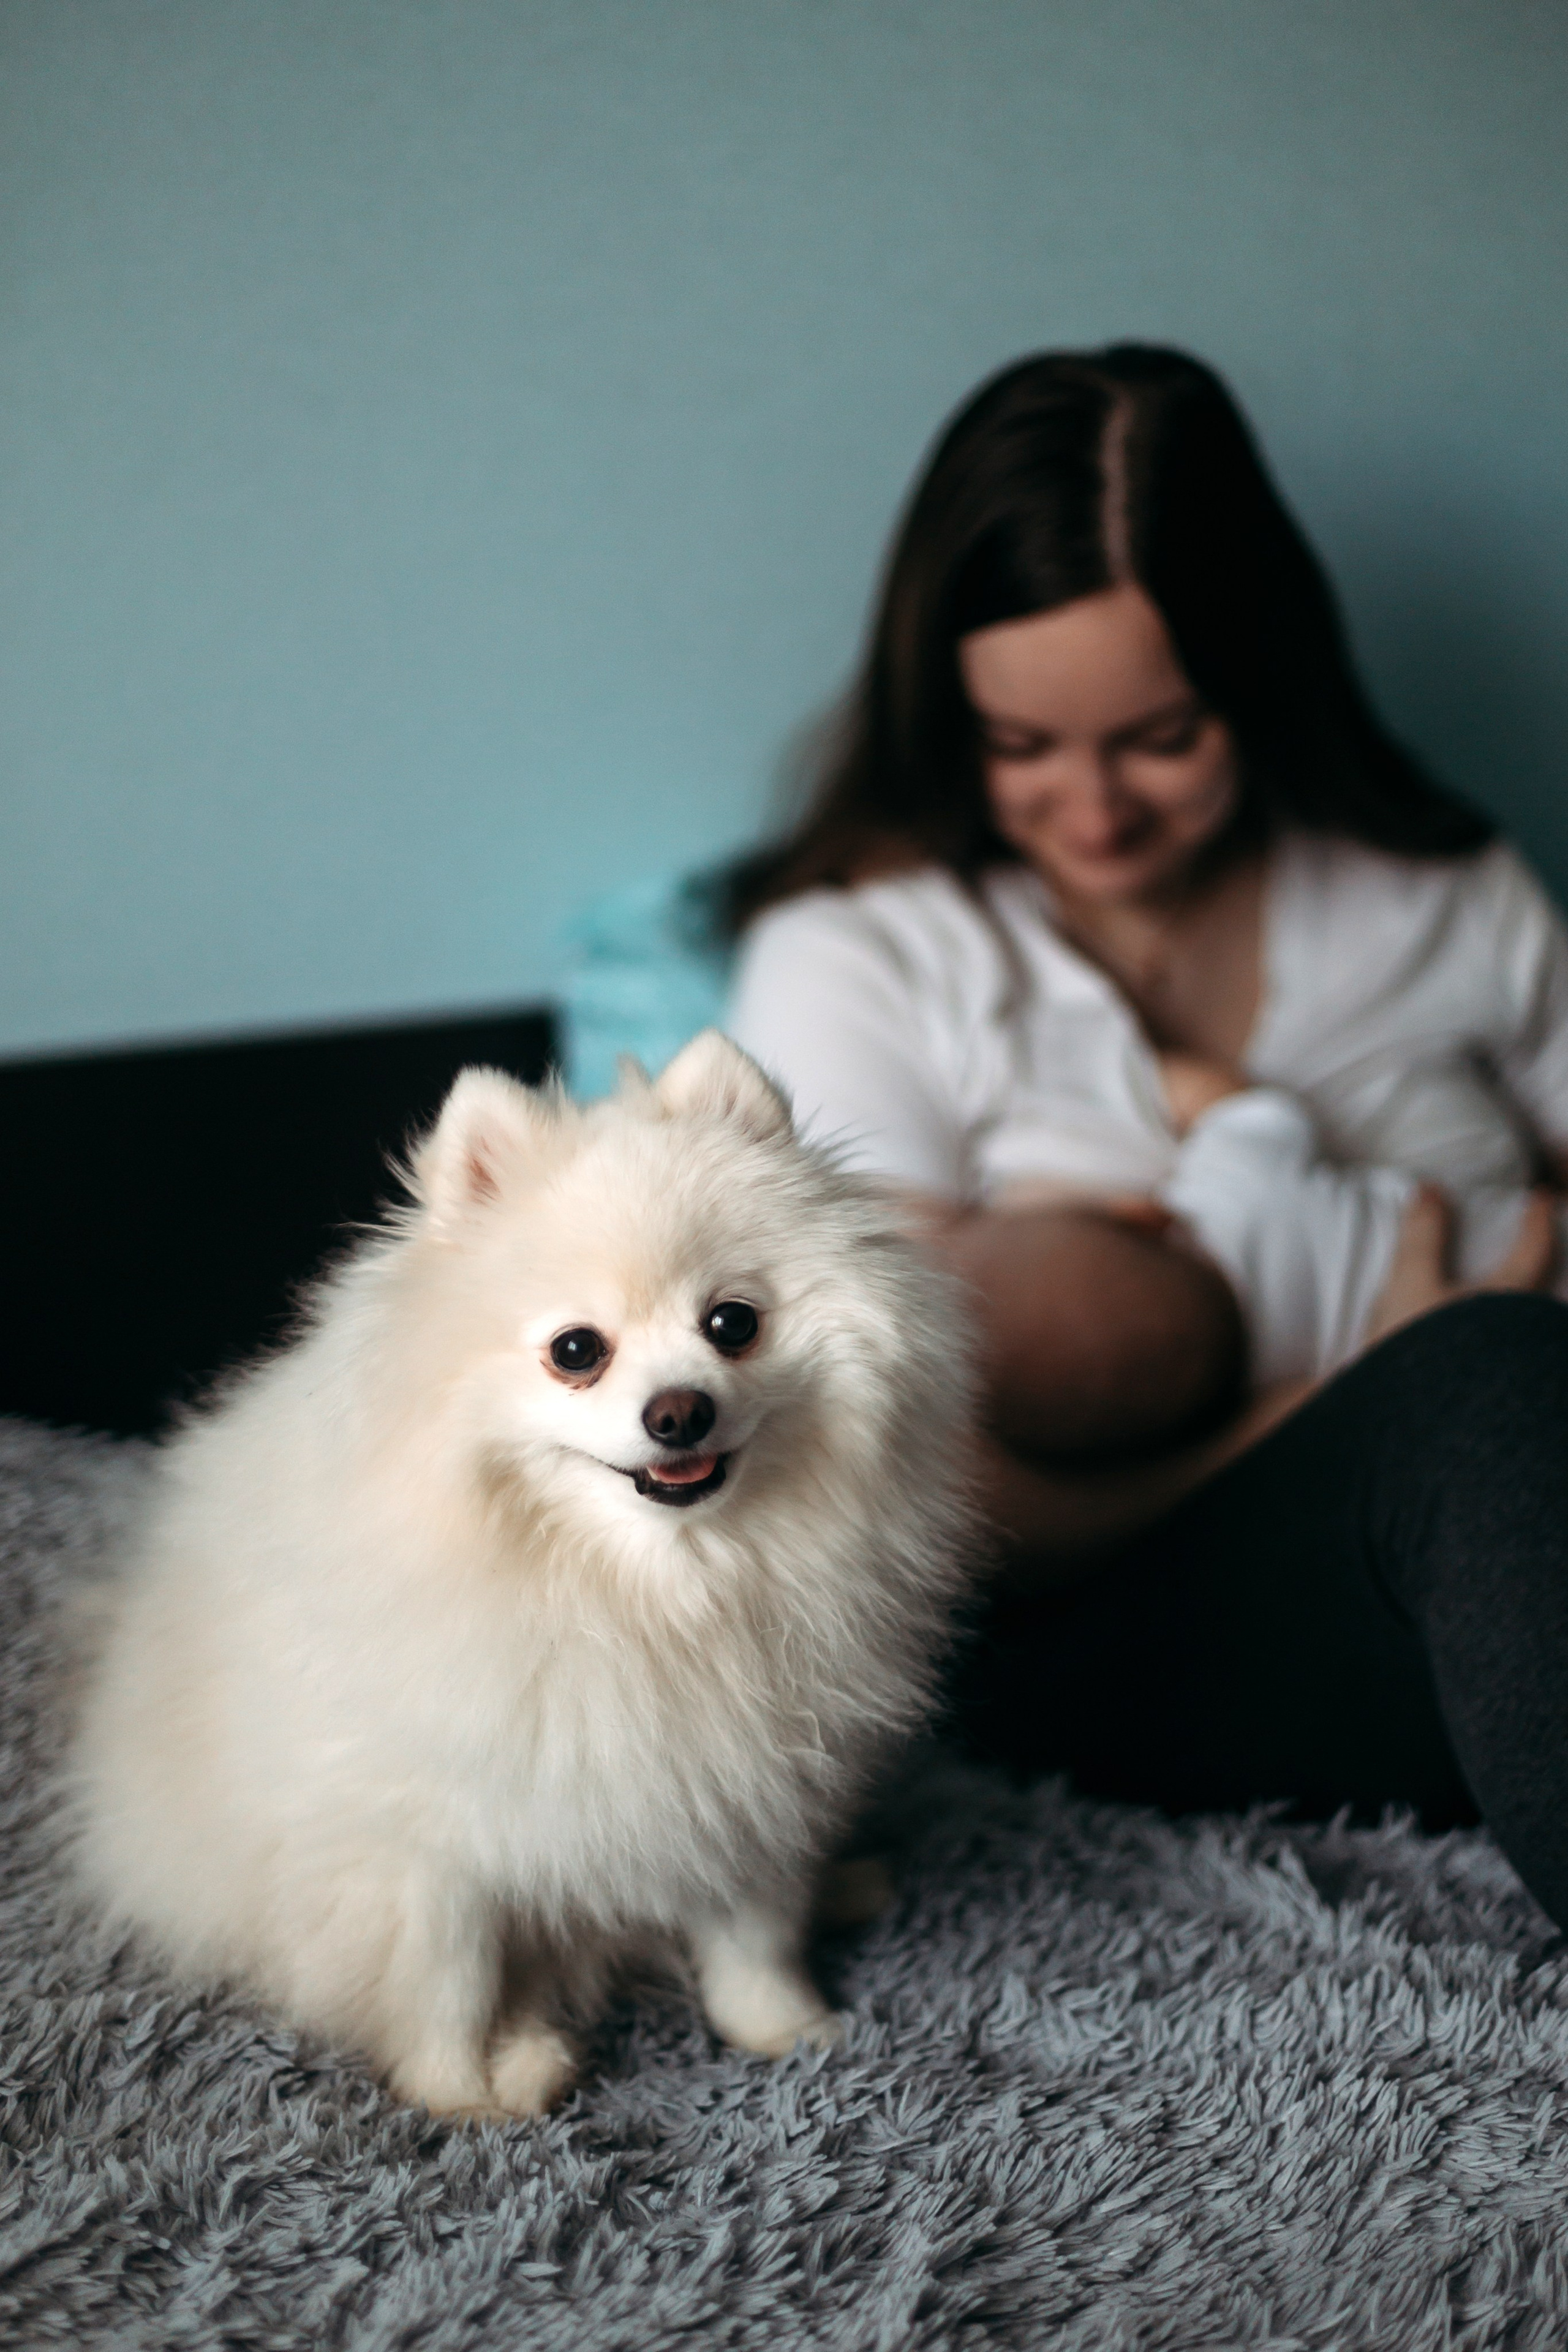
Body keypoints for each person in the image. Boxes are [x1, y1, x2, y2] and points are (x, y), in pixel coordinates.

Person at [723, 344, 1568, 1931]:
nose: (1094, 813)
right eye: (1022, 747)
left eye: (1163, 736)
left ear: (1264, 683)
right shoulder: (864, 956)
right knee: (1483, 1387)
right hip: (1122, 1627)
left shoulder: (1435, 890)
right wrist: (1349, 1394)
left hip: (1513, 1563)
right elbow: (898, 1477)